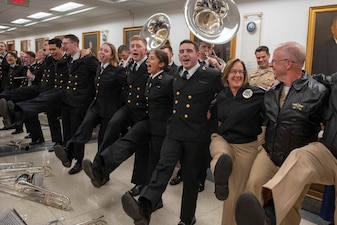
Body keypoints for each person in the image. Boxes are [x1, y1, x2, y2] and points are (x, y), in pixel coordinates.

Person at [121, 39, 222, 225]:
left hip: (196, 134)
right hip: (174, 130)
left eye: (189, 51)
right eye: (181, 51)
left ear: (198, 55)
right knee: (163, 166)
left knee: (190, 180)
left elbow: (224, 97)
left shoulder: (211, 75)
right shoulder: (174, 74)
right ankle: (145, 206)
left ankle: (187, 219)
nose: (185, 54)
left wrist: (212, 111)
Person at [233, 42, 329, 225]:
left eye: (274, 61)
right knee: (252, 189)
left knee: (287, 208)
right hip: (269, 153)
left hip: (296, 161)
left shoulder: (318, 92)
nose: (270, 64)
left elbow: (329, 126)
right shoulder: (271, 92)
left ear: (288, 63)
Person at [81, 50, 173, 200]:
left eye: (151, 59)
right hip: (147, 120)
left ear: (162, 64)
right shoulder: (150, 78)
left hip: (161, 127)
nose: (148, 62)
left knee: (154, 161)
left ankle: (153, 199)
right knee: (126, 141)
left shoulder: (168, 81)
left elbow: (177, 102)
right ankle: (101, 169)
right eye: (148, 58)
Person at [54, 42, 127, 172]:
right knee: (83, 127)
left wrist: (122, 107)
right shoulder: (99, 67)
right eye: (101, 50)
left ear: (111, 55)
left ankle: (100, 169)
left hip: (109, 110)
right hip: (96, 106)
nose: (102, 52)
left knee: (103, 141)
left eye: (106, 51)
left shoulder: (118, 71)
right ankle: (68, 152)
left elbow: (127, 88)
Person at [209, 58, 265, 225]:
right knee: (220, 153)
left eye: (241, 71)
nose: (238, 75)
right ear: (226, 75)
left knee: (235, 194)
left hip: (245, 147)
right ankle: (219, 172)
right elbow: (216, 116)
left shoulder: (257, 94)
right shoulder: (222, 96)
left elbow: (268, 116)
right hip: (223, 139)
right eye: (233, 71)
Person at [53, 34, 98, 175]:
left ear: (75, 44)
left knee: (77, 131)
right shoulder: (68, 59)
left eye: (66, 43)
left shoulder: (88, 59)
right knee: (67, 129)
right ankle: (68, 154)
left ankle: (79, 161)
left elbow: (99, 74)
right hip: (67, 100)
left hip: (80, 101)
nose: (63, 46)